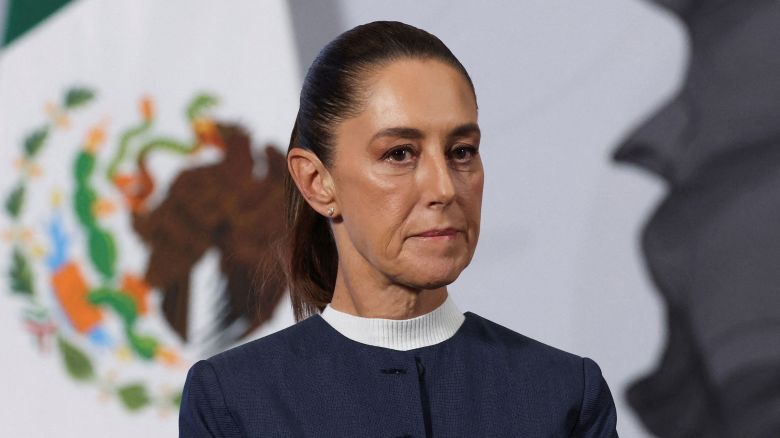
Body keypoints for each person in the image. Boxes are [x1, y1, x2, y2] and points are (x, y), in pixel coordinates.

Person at [179, 20, 618, 437]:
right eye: (400, 154)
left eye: (462, 151)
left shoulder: (564, 395)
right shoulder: (233, 401)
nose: (444, 188)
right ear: (318, 182)